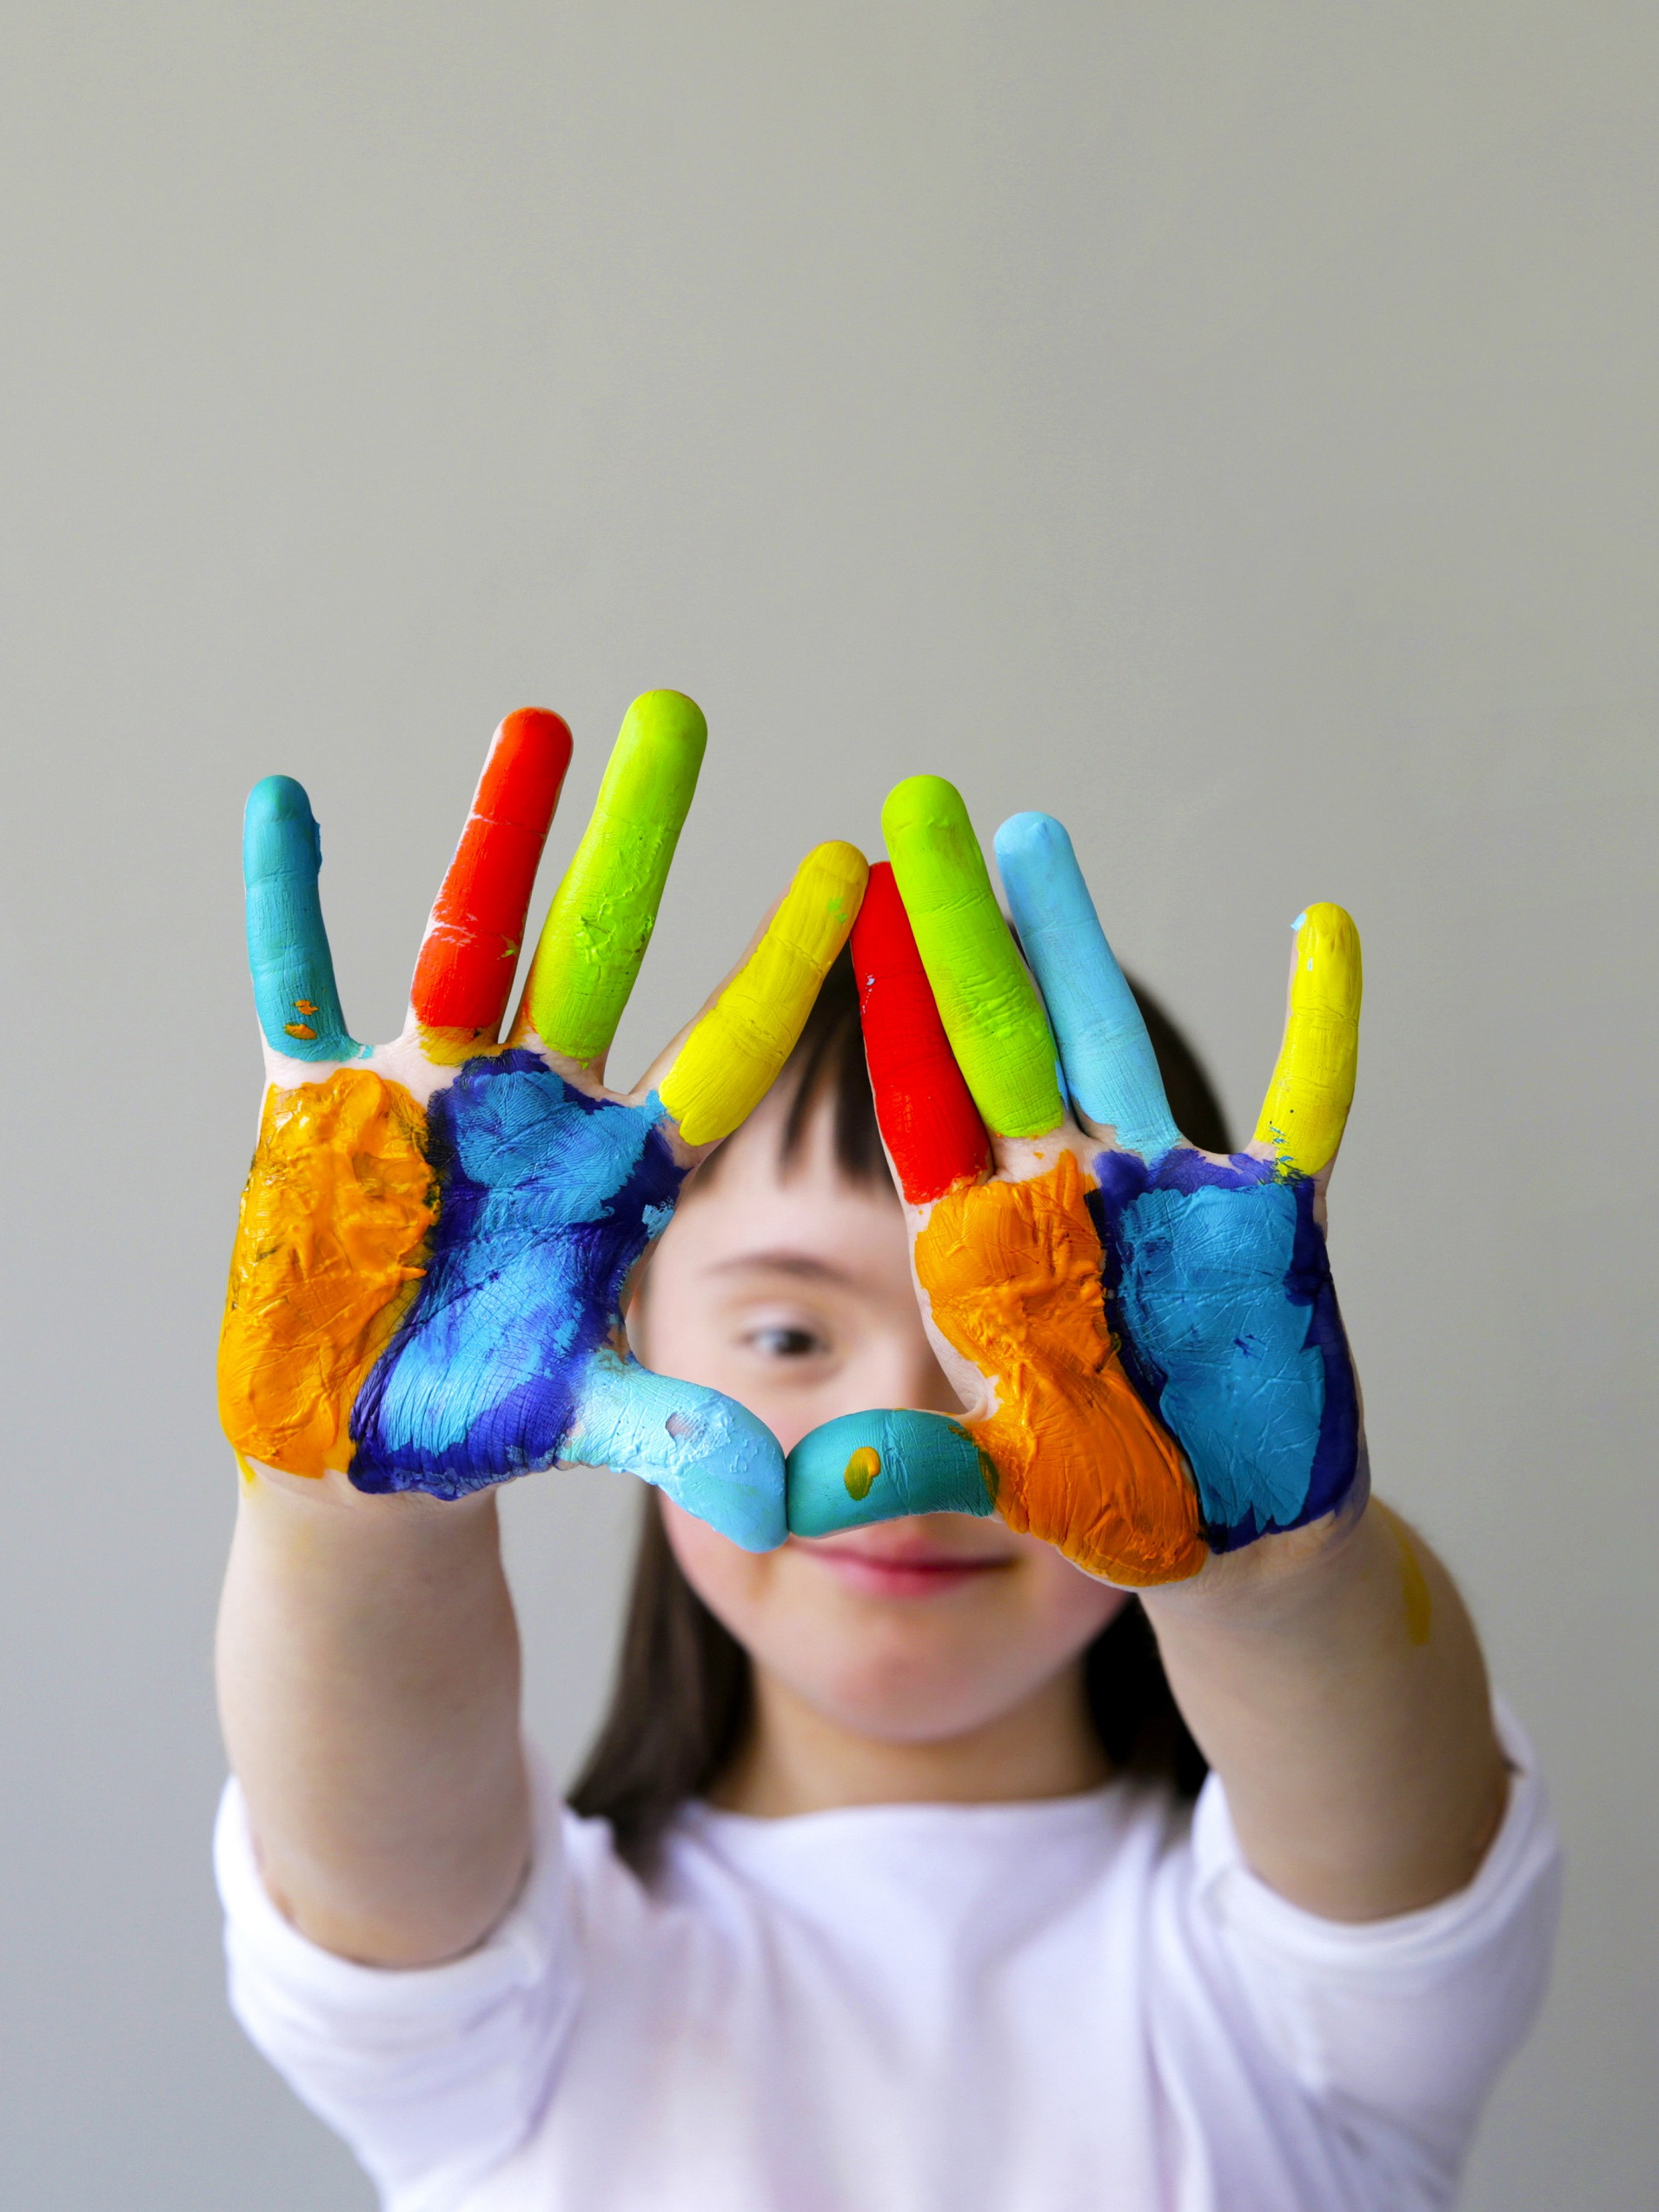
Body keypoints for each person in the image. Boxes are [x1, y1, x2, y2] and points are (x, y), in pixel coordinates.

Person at [214, 698, 1559, 2212]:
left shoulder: (1302, 1991)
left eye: (1022, 1353)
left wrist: (1273, 1567)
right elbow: (374, 1832)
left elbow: (1383, 1800)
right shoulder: (502, 2004)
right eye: (790, 1334)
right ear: (620, 1335)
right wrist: (343, 1509)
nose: (897, 1433)